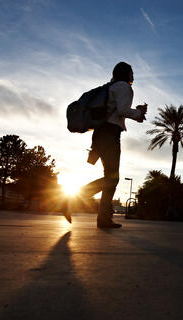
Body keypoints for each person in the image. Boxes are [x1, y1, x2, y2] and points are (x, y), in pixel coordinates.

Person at [64, 62, 147, 228]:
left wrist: (136, 113)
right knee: (112, 178)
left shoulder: (111, 87)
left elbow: (117, 110)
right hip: (110, 134)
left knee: (111, 177)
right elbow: (123, 110)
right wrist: (138, 113)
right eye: (131, 72)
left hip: (100, 134)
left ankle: (103, 219)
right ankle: (72, 200)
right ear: (125, 73)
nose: (133, 75)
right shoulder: (123, 86)